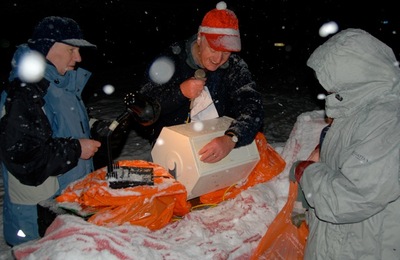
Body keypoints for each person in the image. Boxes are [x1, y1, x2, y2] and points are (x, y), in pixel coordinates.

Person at [290, 28, 400, 259]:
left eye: (330, 78)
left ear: (353, 76)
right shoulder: (359, 107)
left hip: (365, 248)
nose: (325, 86)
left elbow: (348, 200)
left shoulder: (387, 120)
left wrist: (307, 172)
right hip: (345, 241)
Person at [0, 16, 101, 246]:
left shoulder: (60, 84)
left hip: (63, 207)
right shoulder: (25, 91)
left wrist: (92, 126)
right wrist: (76, 148)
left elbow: (58, 127)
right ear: (48, 48)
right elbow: (25, 156)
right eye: (71, 49)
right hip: (37, 221)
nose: (79, 57)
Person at [139, 1, 264, 164]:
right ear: (200, 38)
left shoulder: (235, 66)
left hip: (217, 141)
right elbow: (143, 109)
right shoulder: (171, 59)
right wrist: (180, 93)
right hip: (170, 149)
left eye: (226, 52)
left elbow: (253, 106)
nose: (218, 59)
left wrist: (232, 138)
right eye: (213, 49)